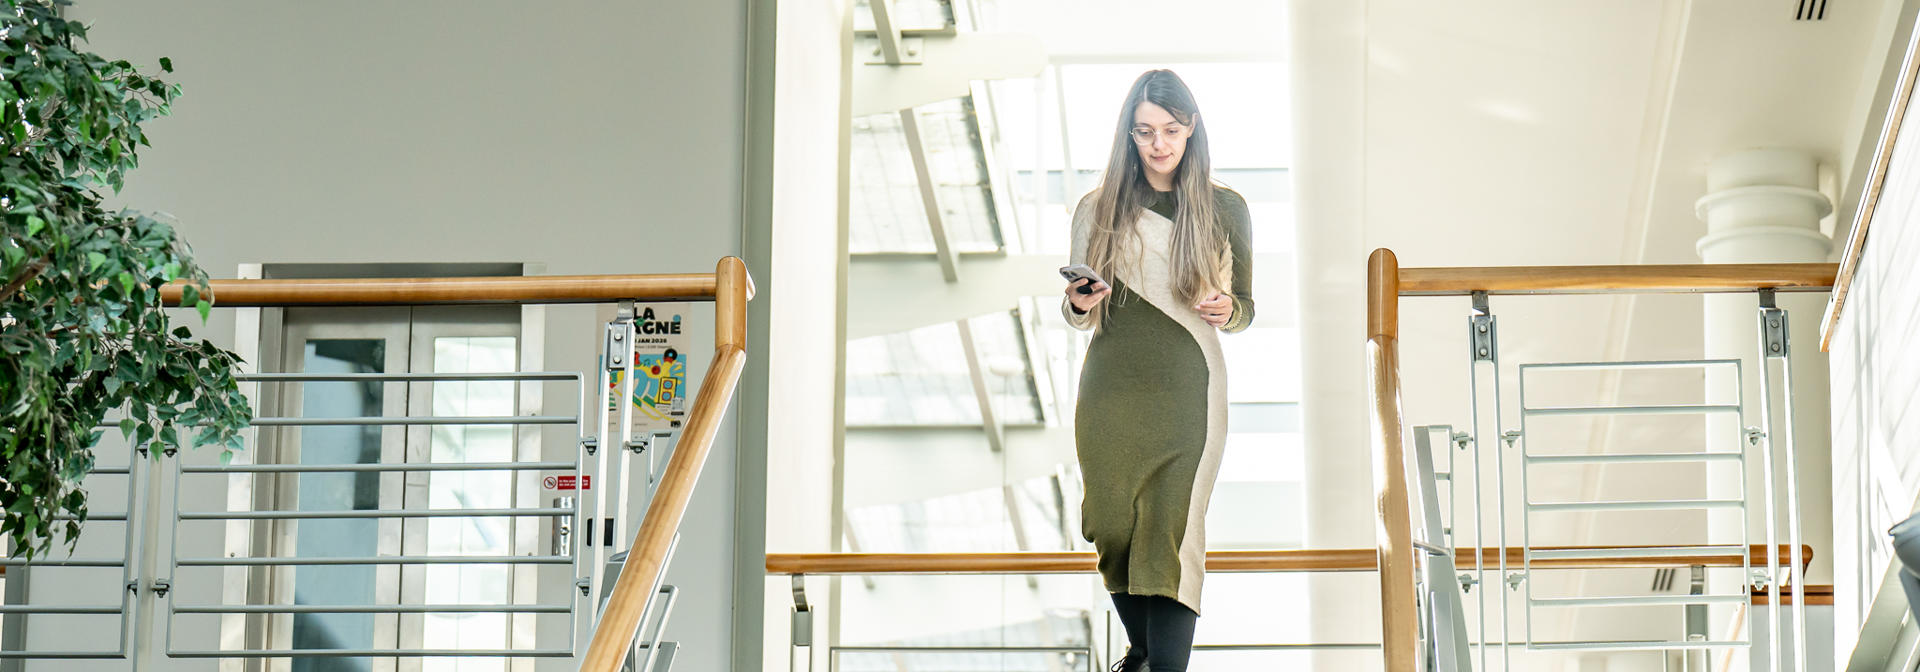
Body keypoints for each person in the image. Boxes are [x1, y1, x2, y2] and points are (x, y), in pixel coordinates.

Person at [1062, 69, 1254, 672]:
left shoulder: (1225, 206)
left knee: (1168, 532)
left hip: (1188, 389)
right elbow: (1076, 313)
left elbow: (1244, 307)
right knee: (1111, 523)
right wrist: (1080, 303)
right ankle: (1143, 656)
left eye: (1171, 130)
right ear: (1129, 135)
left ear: (1191, 129)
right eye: (1145, 132)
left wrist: (1229, 307)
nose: (1159, 144)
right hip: (1110, 387)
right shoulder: (1096, 209)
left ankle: (1156, 664)